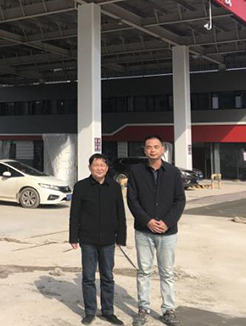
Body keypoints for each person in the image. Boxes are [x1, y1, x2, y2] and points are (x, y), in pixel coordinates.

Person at [127, 136, 186, 326]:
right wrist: (147, 221)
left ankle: (168, 310)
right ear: (144, 150)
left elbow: (180, 200)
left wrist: (167, 222)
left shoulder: (173, 172)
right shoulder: (136, 171)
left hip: (167, 232)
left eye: (156, 147)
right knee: (144, 271)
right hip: (143, 231)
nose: (152, 150)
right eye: (148, 147)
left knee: (166, 272)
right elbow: (132, 200)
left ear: (162, 149)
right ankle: (143, 309)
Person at [69, 153, 127, 325]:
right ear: (90, 167)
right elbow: (74, 213)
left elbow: (120, 213)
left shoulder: (114, 187)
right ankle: (90, 311)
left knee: (107, 276)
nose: (99, 168)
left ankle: (108, 311)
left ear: (107, 168)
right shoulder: (81, 187)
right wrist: (73, 236)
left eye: (102, 165)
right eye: (96, 165)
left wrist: (121, 237)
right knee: (88, 277)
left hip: (108, 239)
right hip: (87, 239)